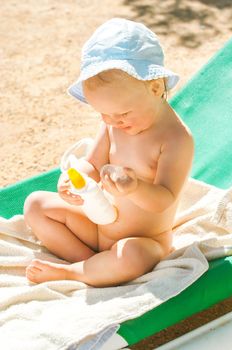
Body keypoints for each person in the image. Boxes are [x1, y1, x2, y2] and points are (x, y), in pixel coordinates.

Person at [24, 18, 194, 287]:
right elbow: (92, 163)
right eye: (103, 113)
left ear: (155, 88)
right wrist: (75, 177)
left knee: (132, 257)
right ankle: (89, 262)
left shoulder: (175, 139)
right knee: (35, 204)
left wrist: (134, 187)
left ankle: (74, 272)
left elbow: (165, 198)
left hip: (143, 240)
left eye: (122, 113)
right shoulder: (113, 123)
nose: (113, 121)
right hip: (99, 224)